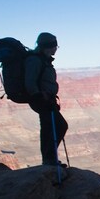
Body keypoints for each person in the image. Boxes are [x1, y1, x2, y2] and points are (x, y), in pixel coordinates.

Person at [26, 32, 69, 170]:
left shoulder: (44, 59)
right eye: (55, 46)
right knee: (56, 126)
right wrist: (39, 96)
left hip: (47, 99)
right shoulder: (35, 60)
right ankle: (49, 160)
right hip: (41, 100)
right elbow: (30, 82)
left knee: (52, 128)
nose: (56, 49)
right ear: (48, 46)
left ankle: (50, 159)